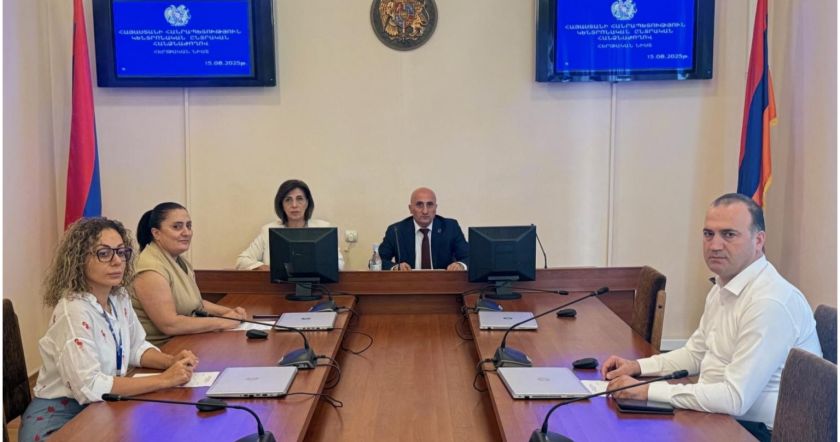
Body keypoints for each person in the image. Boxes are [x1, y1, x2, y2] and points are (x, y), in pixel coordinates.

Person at [601, 193, 821, 442]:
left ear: (758, 240)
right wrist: (638, 367)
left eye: (729, 234)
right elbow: (695, 354)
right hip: (718, 417)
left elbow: (734, 399)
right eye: (708, 234)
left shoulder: (769, 302)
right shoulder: (722, 286)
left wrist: (648, 391)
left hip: (761, 433)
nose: (715, 245)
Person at [19, 218, 198, 441]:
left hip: (103, 406)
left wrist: (170, 361)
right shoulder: (73, 310)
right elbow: (90, 387)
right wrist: (165, 380)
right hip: (60, 418)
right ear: (79, 259)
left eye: (121, 252)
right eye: (104, 253)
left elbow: (135, 347)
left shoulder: (119, 296)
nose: (117, 261)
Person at [132, 202, 248, 346]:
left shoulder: (179, 260)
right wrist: (222, 322)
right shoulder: (150, 269)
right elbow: (170, 324)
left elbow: (195, 303)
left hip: (185, 340)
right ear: (156, 233)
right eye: (177, 227)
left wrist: (229, 313)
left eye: (189, 226)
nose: (186, 232)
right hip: (163, 348)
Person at [236, 179, 345, 270]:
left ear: (307, 203)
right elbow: (241, 261)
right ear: (281, 205)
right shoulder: (268, 230)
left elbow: (339, 264)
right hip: (277, 287)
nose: (294, 205)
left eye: (299, 199)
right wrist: (263, 267)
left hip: (316, 286)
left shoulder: (323, 228)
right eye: (288, 200)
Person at [378, 187, 469, 271]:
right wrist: (395, 267)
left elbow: (469, 257)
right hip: (408, 282)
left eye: (430, 205)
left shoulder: (450, 227)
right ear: (411, 209)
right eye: (419, 205)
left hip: (443, 282)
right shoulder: (396, 231)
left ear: (435, 208)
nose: (425, 211)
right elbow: (378, 261)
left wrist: (460, 265)